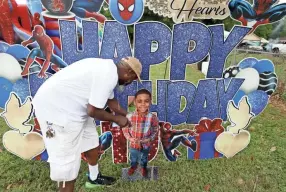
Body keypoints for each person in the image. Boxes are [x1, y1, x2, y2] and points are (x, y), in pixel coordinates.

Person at [33, 57, 142, 191]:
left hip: (73, 107)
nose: (129, 83)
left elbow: (111, 102)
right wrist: (117, 119)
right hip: (57, 110)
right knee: (66, 159)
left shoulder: (108, 69)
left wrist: (128, 115)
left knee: (91, 141)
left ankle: (94, 178)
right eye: (132, 80)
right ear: (129, 73)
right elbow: (93, 111)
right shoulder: (108, 75)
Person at [122, 89, 159, 177]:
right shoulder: (129, 116)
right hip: (133, 144)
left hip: (146, 144)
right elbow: (125, 129)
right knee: (133, 157)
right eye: (139, 101)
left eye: (146, 101)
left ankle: (143, 167)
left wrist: (149, 139)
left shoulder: (153, 117)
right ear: (135, 102)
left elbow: (155, 129)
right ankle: (133, 166)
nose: (143, 104)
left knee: (144, 157)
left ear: (150, 102)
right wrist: (130, 138)